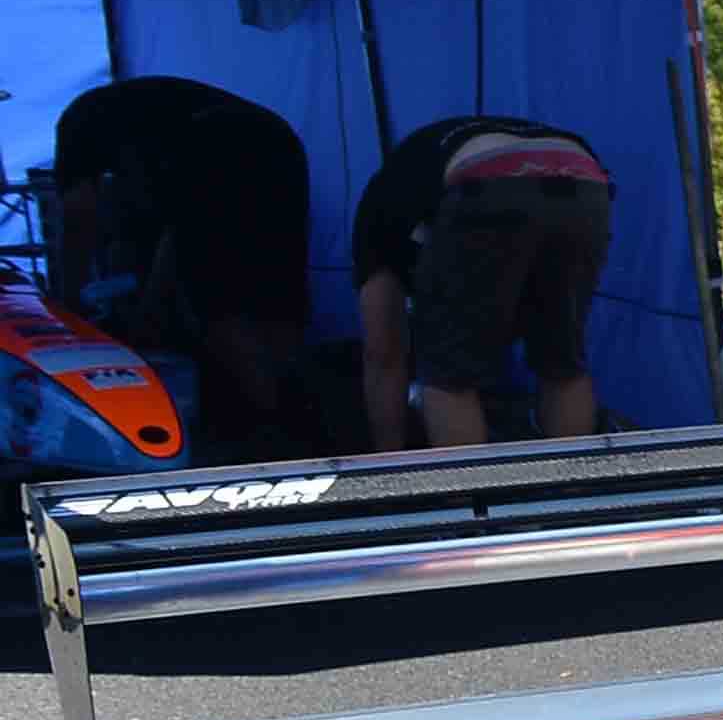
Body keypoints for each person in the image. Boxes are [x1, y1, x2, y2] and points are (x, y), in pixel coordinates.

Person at [48, 76, 313, 449]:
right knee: (275, 290)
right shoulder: (138, 130)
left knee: (221, 305)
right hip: (279, 144)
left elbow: (78, 215)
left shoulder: (80, 129)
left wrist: (67, 303)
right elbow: (173, 240)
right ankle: (299, 410)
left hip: (218, 144)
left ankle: (270, 429)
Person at [353, 115, 613, 451]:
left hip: (485, 178)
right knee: (562, 364)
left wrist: (389, 457)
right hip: (583, 175)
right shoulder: (417, 176)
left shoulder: (376, 215)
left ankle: (467, 486)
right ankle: (573, 480)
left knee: (450, 378)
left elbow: (382, 351)